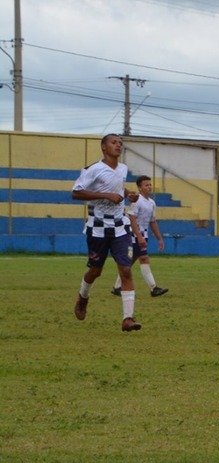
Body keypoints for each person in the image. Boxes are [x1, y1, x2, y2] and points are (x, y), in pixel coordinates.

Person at [71, 133, 142, 332]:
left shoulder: (123, 168)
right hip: (98, 229)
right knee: (95, 271)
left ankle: (128, 319)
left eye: (120, 143)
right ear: (103, 147)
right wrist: (106, 195)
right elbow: (76, 192)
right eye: (114, 142)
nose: (118, 145)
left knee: (126, 270)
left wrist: (128, 194)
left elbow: (117, 186)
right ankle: (83, 297)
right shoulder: (93, 169)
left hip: (120, 227)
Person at [111, 174, 168, 298]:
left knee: (129, 262)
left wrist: (159, 238)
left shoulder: (152, 203)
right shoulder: (136, 201)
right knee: (144, 258)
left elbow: (152, 221)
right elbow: (132, 219)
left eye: (150, 184)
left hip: (143, 234)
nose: (149, 187)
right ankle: (153, 288)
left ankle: (116, 287)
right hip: (133, 234)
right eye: (146, 185)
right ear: (140, 188)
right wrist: (139, 236)